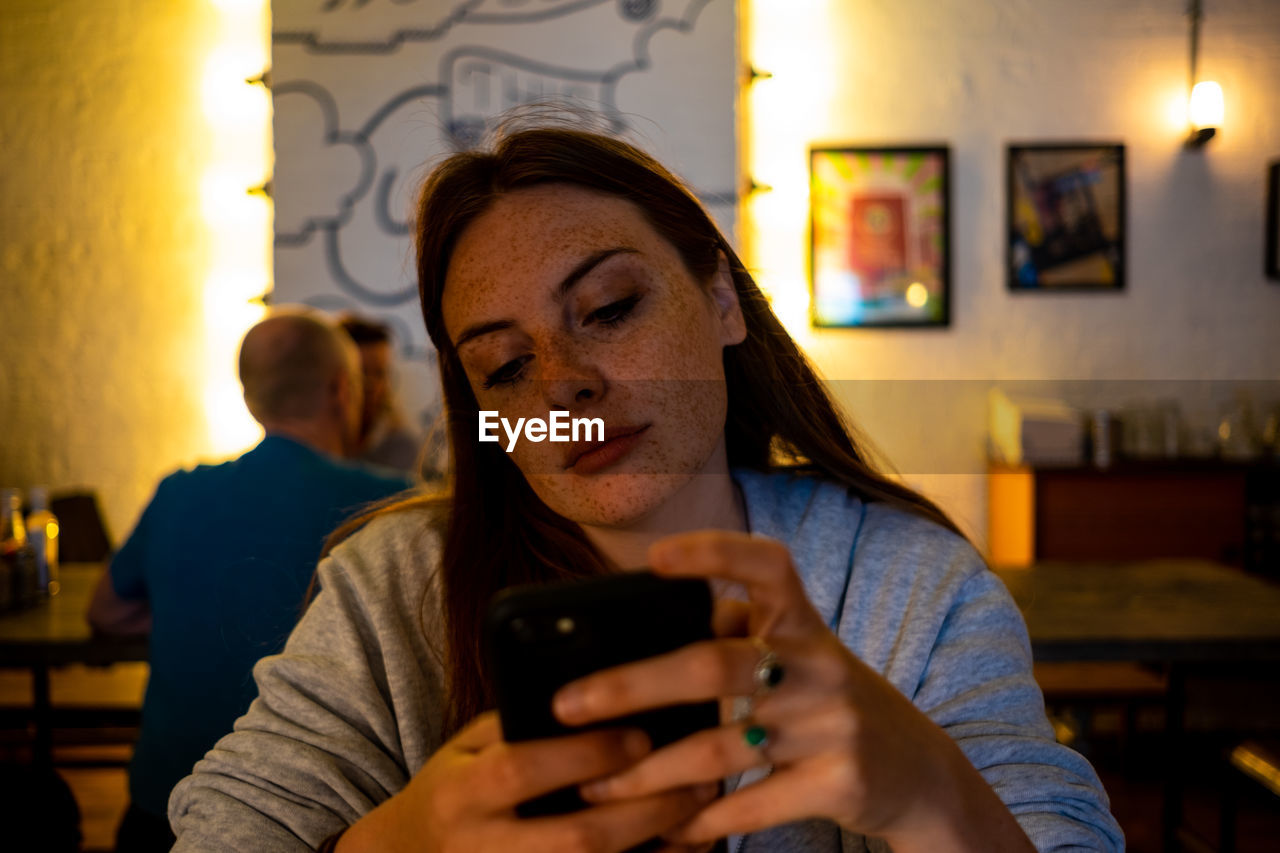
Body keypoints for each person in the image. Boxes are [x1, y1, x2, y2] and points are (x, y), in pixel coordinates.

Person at [168, 127, 1124, 852]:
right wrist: (397, 840)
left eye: (611, 308)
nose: (563, 383)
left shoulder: (908, 586)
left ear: (720, 299)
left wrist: (926, 788)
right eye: (503, 366)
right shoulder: (391, 590)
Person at [88, 308, 411, 852]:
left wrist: (188, 608)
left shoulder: (178, 492)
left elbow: (106, 613)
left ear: (249, 398)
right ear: (341, 390)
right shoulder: (394, 505)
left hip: (157, 812)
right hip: (324, 827)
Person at [336, 314, 425, 475]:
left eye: (379, 373)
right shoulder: (308, 441)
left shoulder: (400, 445)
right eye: (361, 372)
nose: (371, 385)